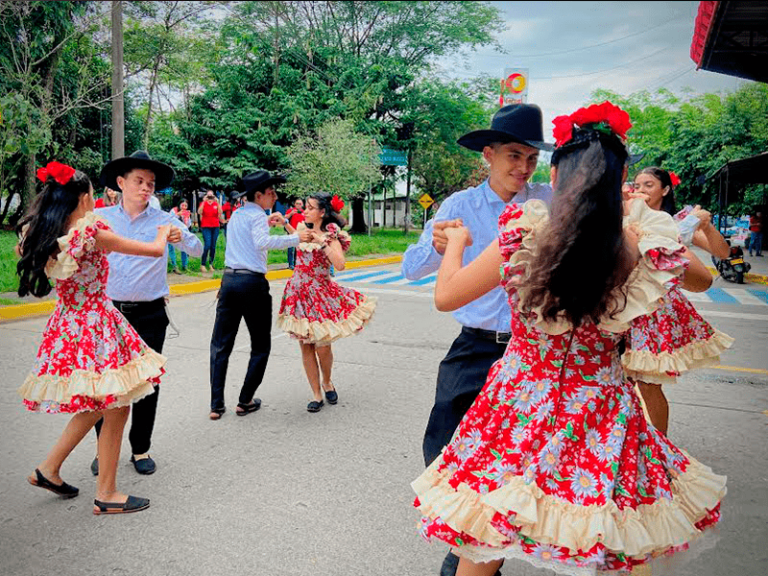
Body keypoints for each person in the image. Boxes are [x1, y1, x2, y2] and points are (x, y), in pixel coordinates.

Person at [411, 102, 725, 576]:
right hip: (601, 406)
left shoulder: (525, 233)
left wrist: (454, 245)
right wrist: (638, 225)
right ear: (619, 184)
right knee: (612, 531)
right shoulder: (640, 241)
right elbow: (701, 279)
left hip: (519, 399)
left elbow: (446, 295)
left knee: (491, 522)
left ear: (555, 178)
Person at [402, 103, 553, 576]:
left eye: (531, 157)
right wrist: (439, 244)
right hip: (475, 345)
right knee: (443, 445)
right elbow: (412, 270)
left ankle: (473, 552)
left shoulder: (550, 201)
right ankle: (470, 531)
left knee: (522, 460)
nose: (523, 168)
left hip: (535, 354)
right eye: (513, 155)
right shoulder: (459, 207)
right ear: (488, 154)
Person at [16, 161, 170, 515]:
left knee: (106, 402)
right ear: (85, 198)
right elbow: (153, 251)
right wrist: (163, 232)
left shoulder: (39, 234)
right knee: (116, 402)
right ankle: (106, 492)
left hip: (68, 324)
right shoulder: (91, 232)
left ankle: (50, 469)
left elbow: (23, 253)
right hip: (97, 324)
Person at [91, 150, 203, 477]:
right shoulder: (103, 219)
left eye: (151, 183)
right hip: (110, 313)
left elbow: (197, 249)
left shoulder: (165, 220)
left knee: (146, 383)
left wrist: (184, 236)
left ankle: (140, 448)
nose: (145, 188)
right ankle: (104, 449)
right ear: (120, 183)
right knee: (105, 384)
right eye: (139, 181)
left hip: (151, 313)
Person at [624, 167, 732, 435]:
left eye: (649, 184)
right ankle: (626, 442)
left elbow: (722, 252)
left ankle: (660, 450)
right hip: (624, 307)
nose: (641, 189)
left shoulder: (676, 221)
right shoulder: (626, 215)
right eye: (637, 184)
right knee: (620, 381)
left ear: (665, 189)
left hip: (654, 312)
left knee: (648, 383)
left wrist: (705, 225)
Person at [208, 170, 312, 420]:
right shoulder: (256, 215)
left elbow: (249, 237)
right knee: (261, 344)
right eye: (271, 192)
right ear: (258, 195)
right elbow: (262, 243)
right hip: (252, 283)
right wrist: (296, 238)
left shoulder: (238, 215)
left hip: (230, 280)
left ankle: (216, 404)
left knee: (221, 345)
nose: (274, 196)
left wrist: (268, 221)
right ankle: (245, 400)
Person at [277, 193, 377, 412]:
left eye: (310, 208)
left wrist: (322, 242)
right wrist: (284, 222)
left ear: (322, 212)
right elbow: (295, 236)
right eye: (305, 207)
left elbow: (340, 265)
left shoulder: (332, 236)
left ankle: (327, 380)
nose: (305, 211)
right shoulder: (302, 228)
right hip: (298, 294)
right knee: (305, 346)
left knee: (322, 347)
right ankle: (316, 394)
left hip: (320, 295)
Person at [198, 190, 224, 272]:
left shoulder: (216, 204)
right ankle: (202, 264)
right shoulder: (204, 204)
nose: (210, 198)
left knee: (213, 246)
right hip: (206, 226)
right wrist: (203, 201)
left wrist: (217, 202)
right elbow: (199, 212)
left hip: (215, 226)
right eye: (208, 196)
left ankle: (210, 264)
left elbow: (220, 212)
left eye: (211, 196)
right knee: (207, 245)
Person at [169, 199, 193, 274]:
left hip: (182, 232)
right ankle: (174, 266)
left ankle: (185, 266)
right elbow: (169, 220)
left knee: (184, 248)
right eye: (182, 205)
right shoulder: (173, 210)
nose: (184, 207)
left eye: (186, 206)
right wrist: (177, 215)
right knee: (171, 249)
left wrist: (187, 218)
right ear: (179, 205)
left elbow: (188, 225)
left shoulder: (186, 213)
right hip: (172, 232)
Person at [285, 198, 305, 270]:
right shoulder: (291, 210)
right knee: (290, 248)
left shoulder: (304, 212)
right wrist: (291, 214)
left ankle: (296, 263)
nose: (298, 205)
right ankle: (291, 264)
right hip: (291, 232)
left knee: (298, 249)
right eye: (297, 203)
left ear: (302, 205)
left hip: (300, 232)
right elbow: (285, 218)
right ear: (294, 204)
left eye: (300, 204)